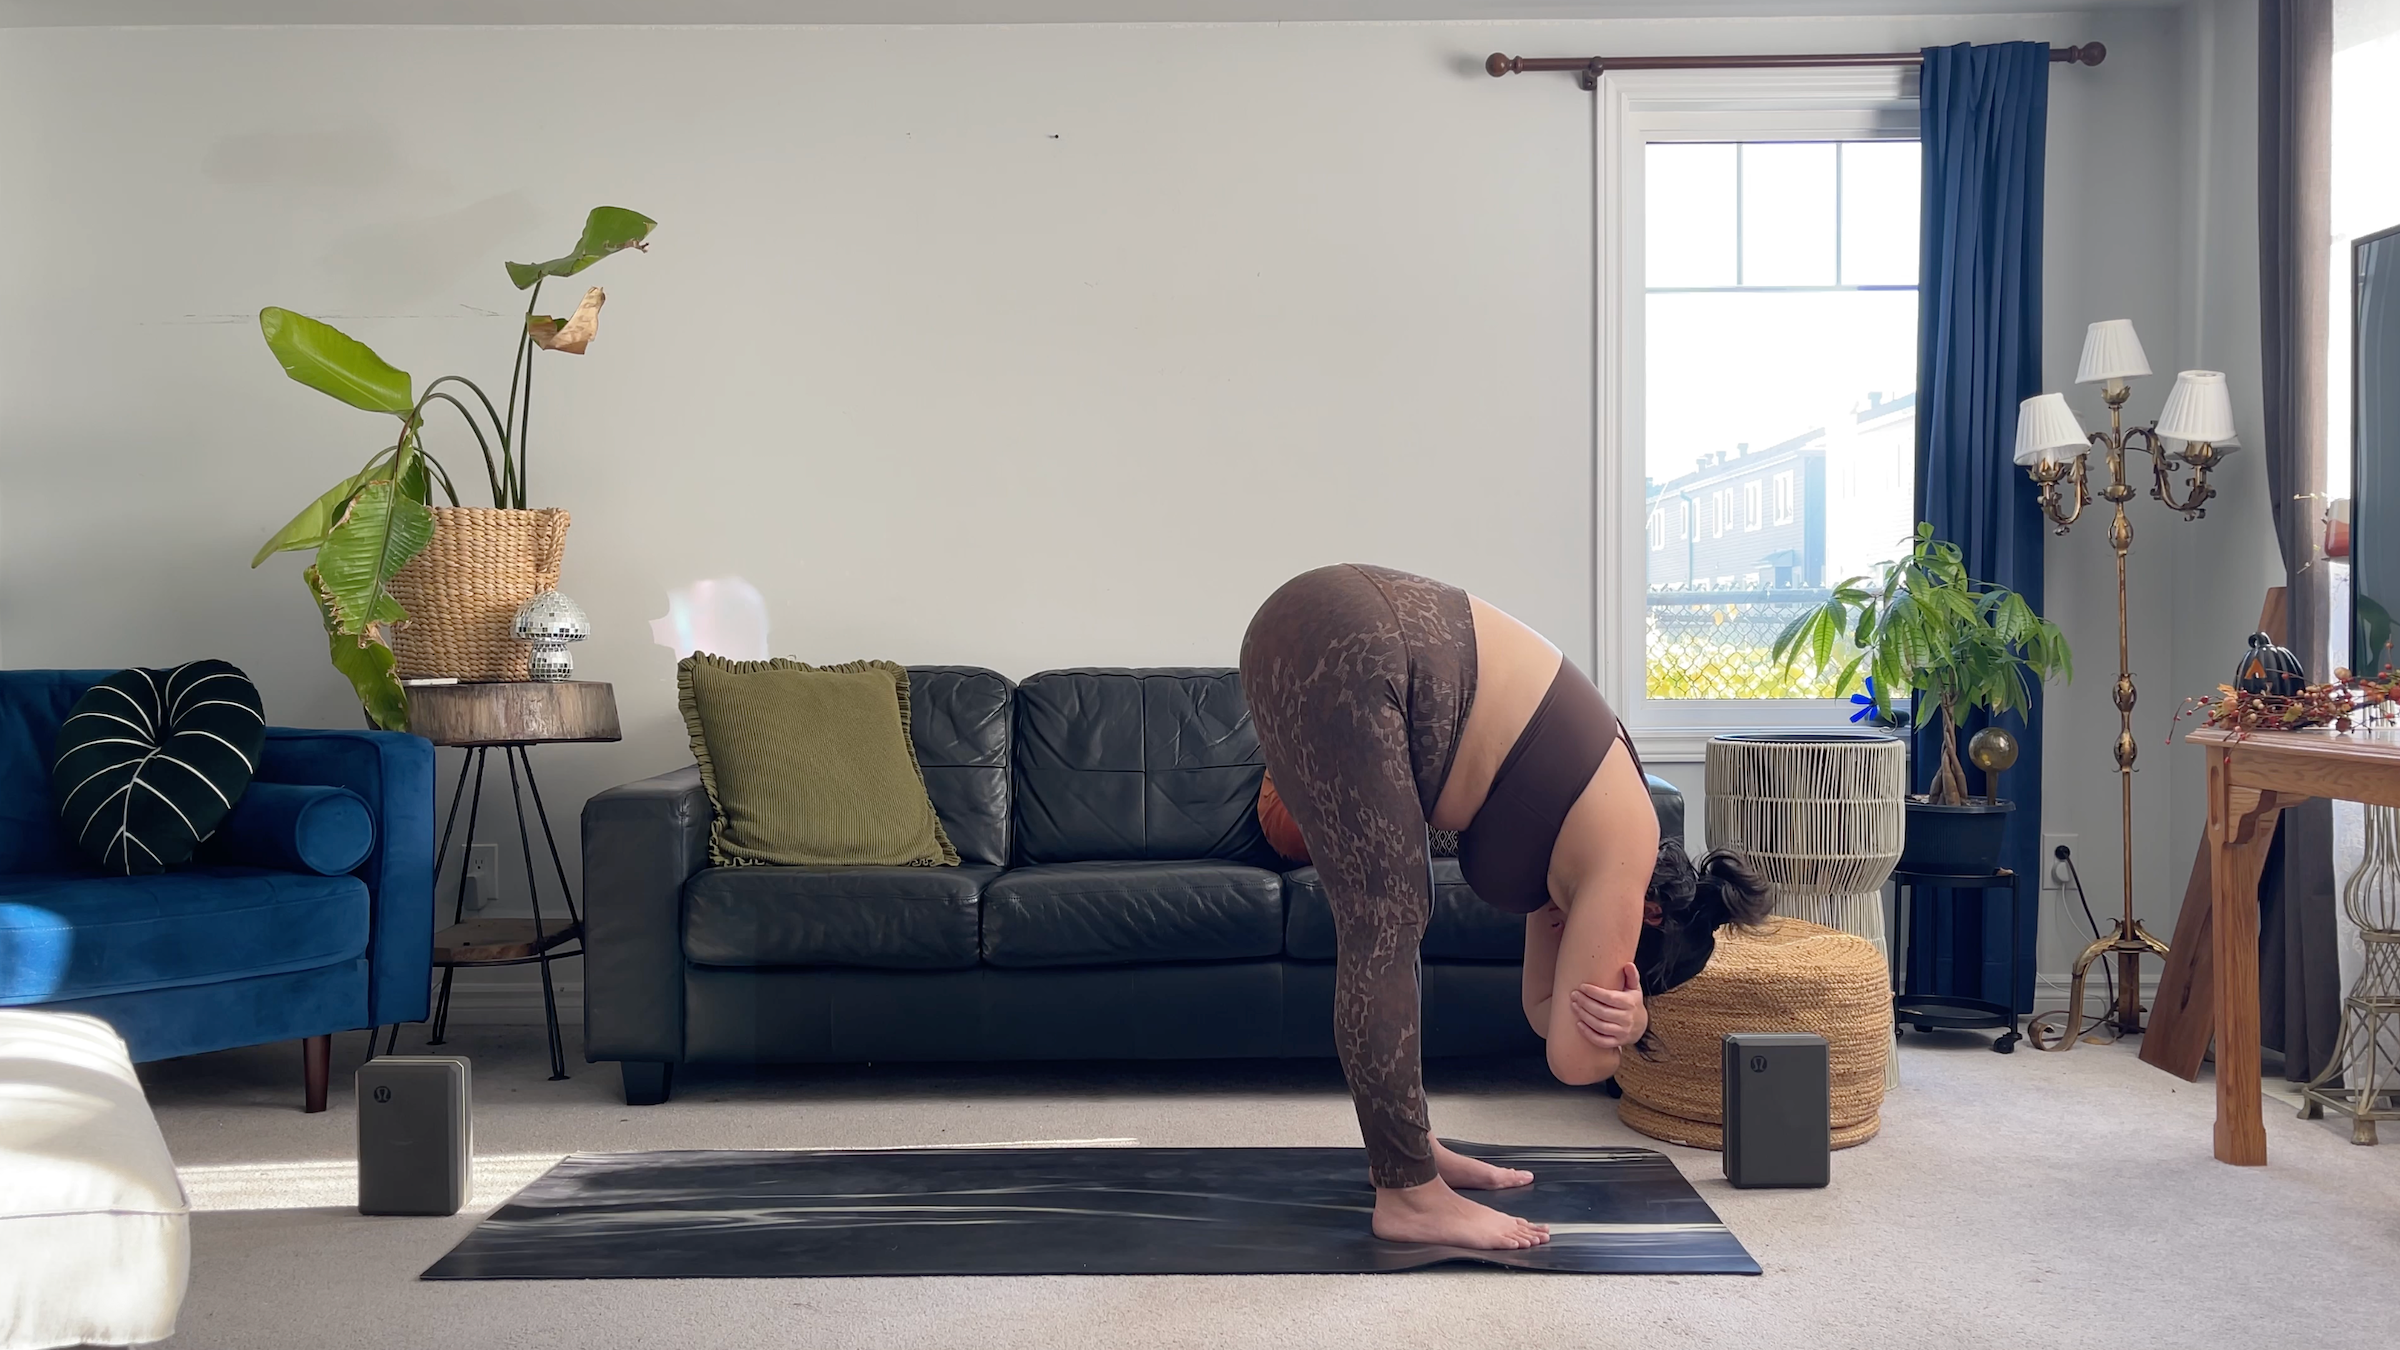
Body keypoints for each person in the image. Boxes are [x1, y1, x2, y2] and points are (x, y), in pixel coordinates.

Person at [1239, 563, 1771, 1250]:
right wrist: (1628, 1026)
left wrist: (1625, 1018)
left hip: (1307, 622)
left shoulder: (1577, 838)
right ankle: (1409, 1194)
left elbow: (1544, 1010)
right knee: (1389, 918)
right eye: (1632, 972)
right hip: (1361, 644)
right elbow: (1575, 1060)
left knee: (1394, 913)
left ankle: (1413, 1150)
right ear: (1653, 918)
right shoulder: (1626, 842)